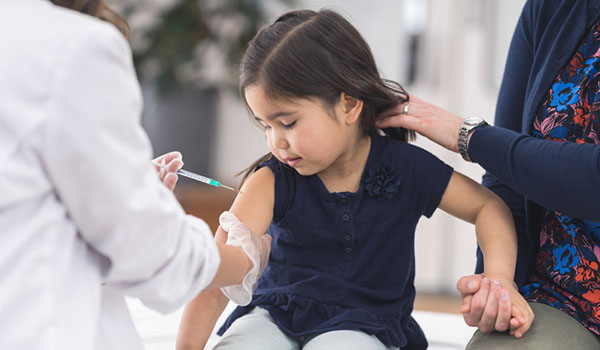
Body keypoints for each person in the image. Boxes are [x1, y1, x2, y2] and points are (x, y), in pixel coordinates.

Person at [175, 9, 533, 350]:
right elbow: (219, 278)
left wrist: (499, 279)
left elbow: (488, 206)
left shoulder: (405, 167)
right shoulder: (270, 180)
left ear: (348, 105)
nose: (276, 142)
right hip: (272, 313)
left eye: (287, 123)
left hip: (365, 322)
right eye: (265, 125)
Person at [0, 1, 270, 349]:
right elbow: (151, 252)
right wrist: (247, 259)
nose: (277, 142)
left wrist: (120, 185)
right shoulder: (74, 46)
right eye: (266, 125)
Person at [377, 0, 600, 348]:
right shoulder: (550, 7)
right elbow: (507, 179)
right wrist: (498, 281)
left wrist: (471, 137)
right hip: (562, 293)